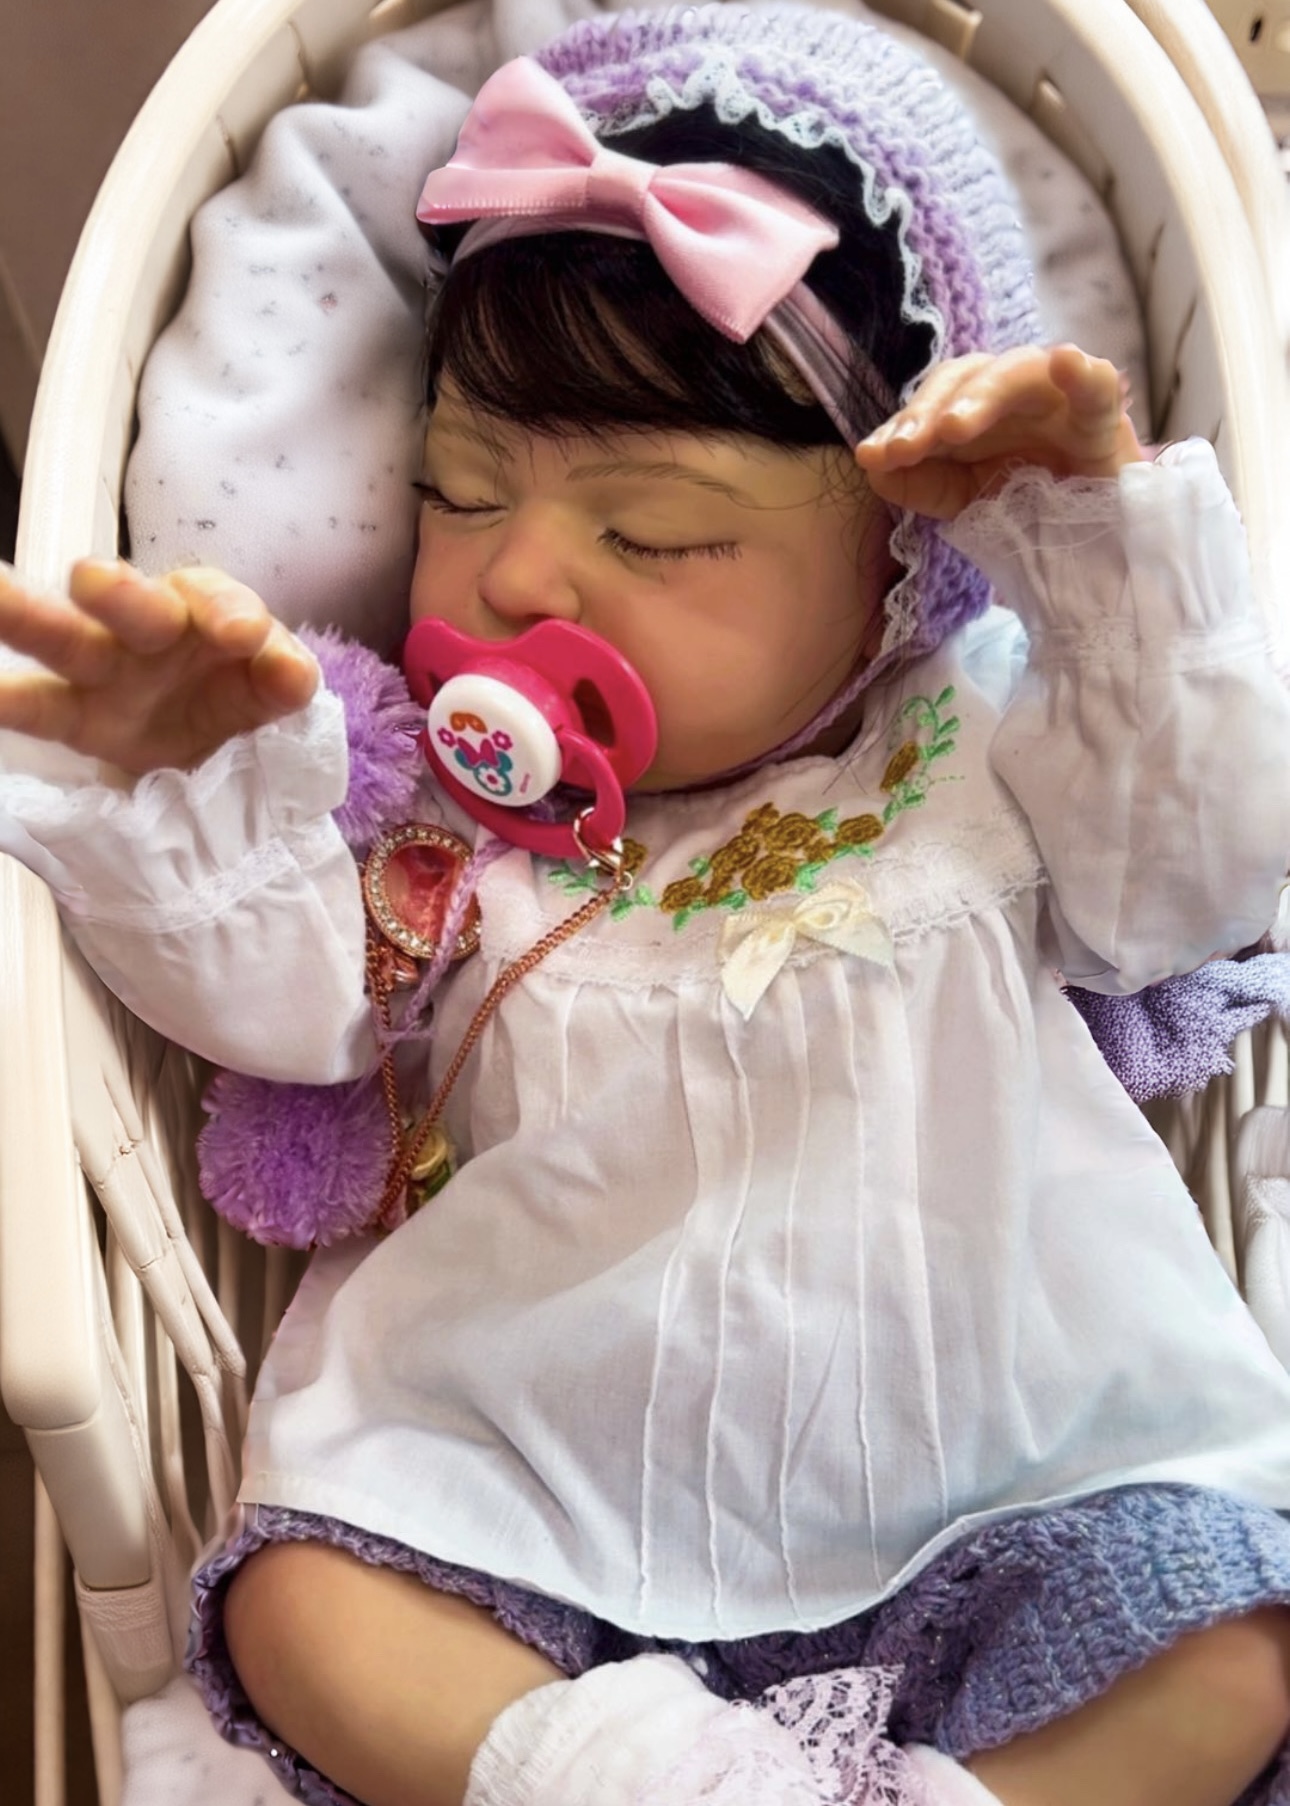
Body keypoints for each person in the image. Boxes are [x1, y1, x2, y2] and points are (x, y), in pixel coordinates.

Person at [4, 6, 1290, 1805]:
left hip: (1011, 1464)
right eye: (463, 492)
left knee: (1230, 1644)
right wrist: (191, 786)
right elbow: (281, 1007)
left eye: (656, 533)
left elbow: (1190, 881)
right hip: (527, 1483)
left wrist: (1089, 546)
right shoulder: (451, 826)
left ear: (895, 552)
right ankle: (646, 1777)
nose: (520, 571)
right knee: (301, 1603)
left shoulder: (988, 735)